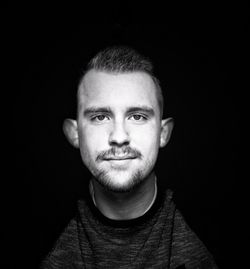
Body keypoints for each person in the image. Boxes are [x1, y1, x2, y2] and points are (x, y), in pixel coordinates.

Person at [40, 46, 218, 268]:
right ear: (75, 133)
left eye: (137, 116)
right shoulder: (43, 245)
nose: (119, 137)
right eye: (100, 117)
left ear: (163, 133)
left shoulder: (206, 241)